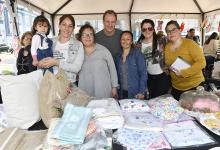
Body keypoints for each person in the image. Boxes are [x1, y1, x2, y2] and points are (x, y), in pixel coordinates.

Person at [38, 15, 84, 86]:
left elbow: (76, 68)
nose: (67, 28)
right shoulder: (50, 42)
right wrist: (40, 63)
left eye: (70, 26)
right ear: (59, 26)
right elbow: (41, 60)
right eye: (64, 24)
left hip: (70, 84)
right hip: (51, 82)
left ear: (73, 28)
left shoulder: (78, 45)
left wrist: (57, 63)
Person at [164, 20, 206, 100]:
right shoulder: (167, 47)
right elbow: (169, 63)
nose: (170, 33)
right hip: (176, 86)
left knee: (192, 111)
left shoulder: (190, 44)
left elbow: (202, 63)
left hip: (193, 86)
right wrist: (168, 68)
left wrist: (183, 72)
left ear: (180, 30)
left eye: (173, 30)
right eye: (168, 31)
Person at [78, 24, 118, 99]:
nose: (88, 37)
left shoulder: (103, 50)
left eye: (90, 34)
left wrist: (114, 87)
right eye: (84, 35)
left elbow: (112, 69)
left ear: (94, 37)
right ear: (80, 37)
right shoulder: (77, 52)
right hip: (85, 91)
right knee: (87, 110)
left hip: (103, 91)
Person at [136, 19, 171, 99]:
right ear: (141, 31)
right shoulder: (138, 45)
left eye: (150, 28)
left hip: (163, 76)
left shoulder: (162, 40)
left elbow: (173, 47)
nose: (147, 31)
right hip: (149, 77)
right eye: (144, 29)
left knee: (160, 100)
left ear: (153, 29)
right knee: (152, 99)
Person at [115, 31, 147, 99]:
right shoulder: (118, 56)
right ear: (120, 41)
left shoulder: (138, 54)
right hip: (121, 92)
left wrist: (141, 91)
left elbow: (143, 74)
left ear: (131, 41)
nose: (125, 41)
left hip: (135, 92)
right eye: (123, 39)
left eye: (128, 39)